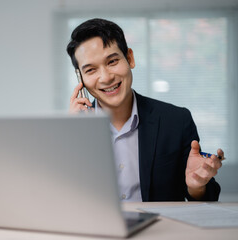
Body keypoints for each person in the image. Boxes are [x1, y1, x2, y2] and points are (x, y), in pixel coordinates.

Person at [66, 18, 224, 201]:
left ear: (130, 58)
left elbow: (208, 197)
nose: (105, 78)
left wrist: (196, 186)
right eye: (91, 70)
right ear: (81, 79)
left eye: (112, 61)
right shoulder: (72, 132)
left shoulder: (176, 121)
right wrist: (72, 135)